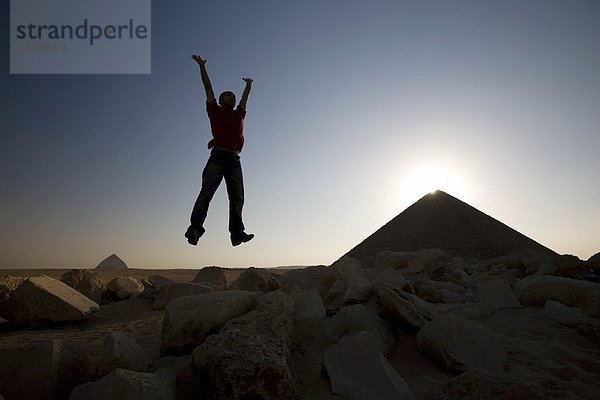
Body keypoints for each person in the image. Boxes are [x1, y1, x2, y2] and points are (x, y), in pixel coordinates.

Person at [185, 55, 254, 247]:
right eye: (227, 95)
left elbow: (245, 97)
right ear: (221, 100)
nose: (231, 97)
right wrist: (202, 66)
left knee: (237, 198)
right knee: (206, 193)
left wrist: (248, 85)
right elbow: (207, 87)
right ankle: (195, 230)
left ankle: (237, 234)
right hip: (217, 156)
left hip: (234, 160)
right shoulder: (214, 110)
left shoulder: (240, 114)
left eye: (233, 96)